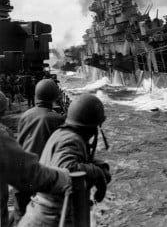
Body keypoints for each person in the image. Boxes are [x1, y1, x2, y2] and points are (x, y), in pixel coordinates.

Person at [19, 94, 111, 227]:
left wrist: (98, 165)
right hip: (51, 219)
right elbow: (65, 167)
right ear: (92, 126)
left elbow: (73, 159)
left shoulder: (62, 134)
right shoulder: (72, 139)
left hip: (42, 215)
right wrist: (96, 173)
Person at [0, 92, 71, 227]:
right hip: (34, 172)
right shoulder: (55, 118)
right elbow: (29, 173)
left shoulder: (26, 115)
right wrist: (63, 177)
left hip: (17, 185)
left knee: (18, 213)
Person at [13, 79, 65, 222]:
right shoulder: (56, 119)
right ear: (54, 97)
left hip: (21, 174)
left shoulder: (26, 115)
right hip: (39, 177)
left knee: (20, 216)